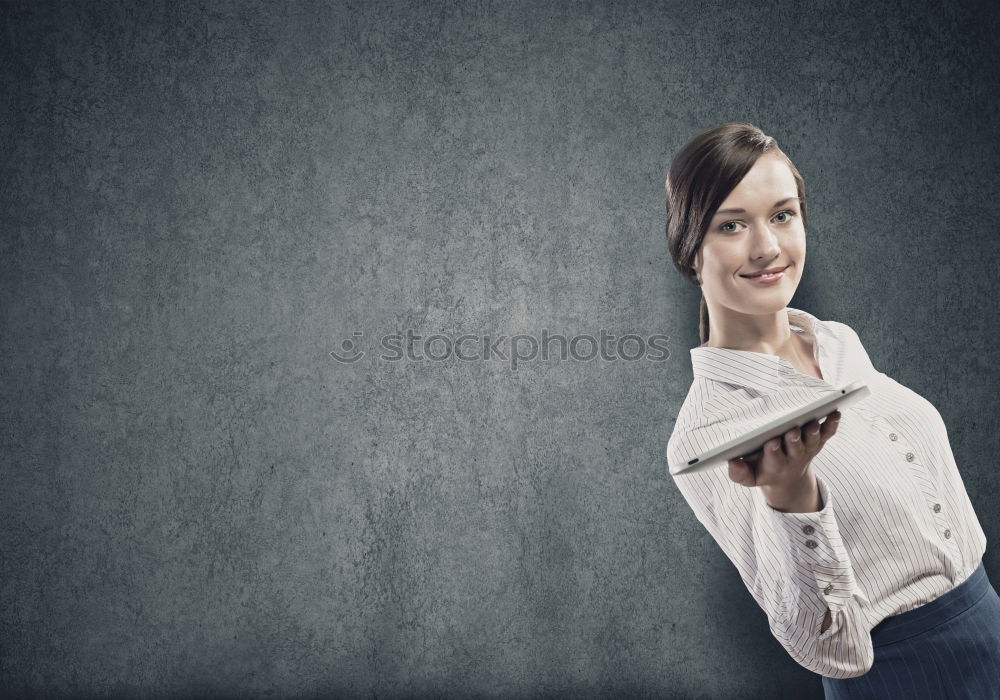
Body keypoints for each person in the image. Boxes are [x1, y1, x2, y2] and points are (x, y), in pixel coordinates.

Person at [663, 122, 1000, 698]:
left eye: (783, 215)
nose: (767, 246)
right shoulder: (706, 434)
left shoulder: (837, 342)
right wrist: (791, 497)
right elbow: (825, 647)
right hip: (903, 678)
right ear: (691, 249)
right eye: (731, 224)